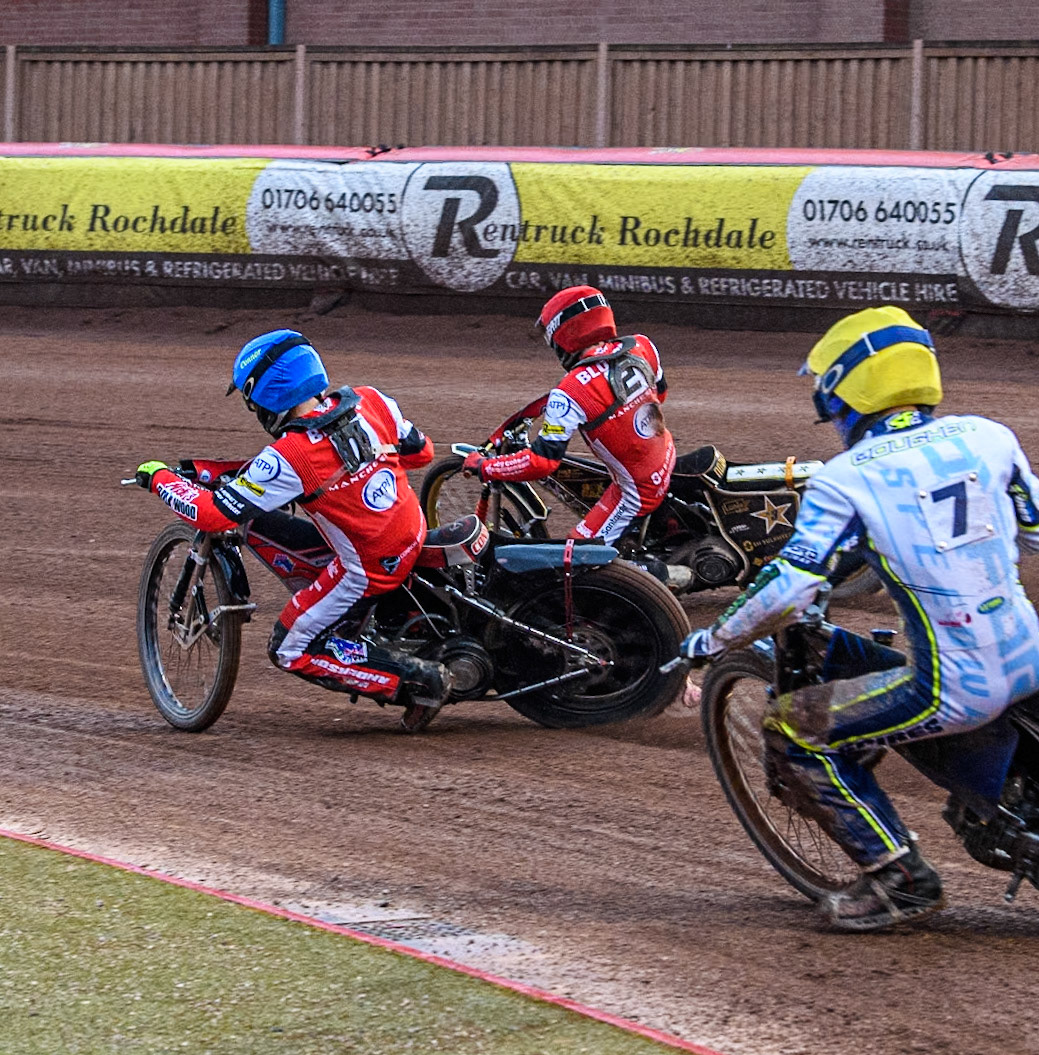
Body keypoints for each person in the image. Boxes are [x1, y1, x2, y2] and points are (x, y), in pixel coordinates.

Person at [678, 306, 1039, 931]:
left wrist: (712, 638)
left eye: (831, 406)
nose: (832, 421)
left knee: (794, 730)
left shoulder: (846, 478)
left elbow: (787, 591)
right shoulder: (990, 436)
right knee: (884, 658)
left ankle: (900, 881)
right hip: (1034, 661)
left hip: (955, 687)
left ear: (849, 393)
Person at [134, 329, 452, 732]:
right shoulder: (371, 400)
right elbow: (421, 452)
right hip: (412, 529)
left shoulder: (290, 455)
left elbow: (213, 516)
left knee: (288, 648)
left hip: (367, 568)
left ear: (265, 396)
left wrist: (160, 478)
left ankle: (414, 681)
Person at [464, 286, 675, 546]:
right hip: (666, 456)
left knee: (575, 557)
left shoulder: (570, 390)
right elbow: (660, 394)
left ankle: (651, 578)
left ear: (563, 333)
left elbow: (542, 462)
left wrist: (486, 467)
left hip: (636, 491)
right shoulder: (642, 346)